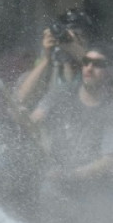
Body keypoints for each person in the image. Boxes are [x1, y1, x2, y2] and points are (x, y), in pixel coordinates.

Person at [29, 42, 113, 221]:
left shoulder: (110, 109)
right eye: (86, 62)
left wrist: (71, 175)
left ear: (110, 72)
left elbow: (109, 160)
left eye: (98, 64)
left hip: (94, 194)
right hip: (54, 189)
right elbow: (32, 122)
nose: (89, 68)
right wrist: (25, 119)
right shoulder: (61, 95)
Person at [15, 8, 96, 110]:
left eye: (79, 35)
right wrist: (46, 58)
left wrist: (72, 47)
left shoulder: (94, 70)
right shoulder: (49, 69)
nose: (68, 39)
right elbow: (20, 100)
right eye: (67, 34)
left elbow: (98, 70)